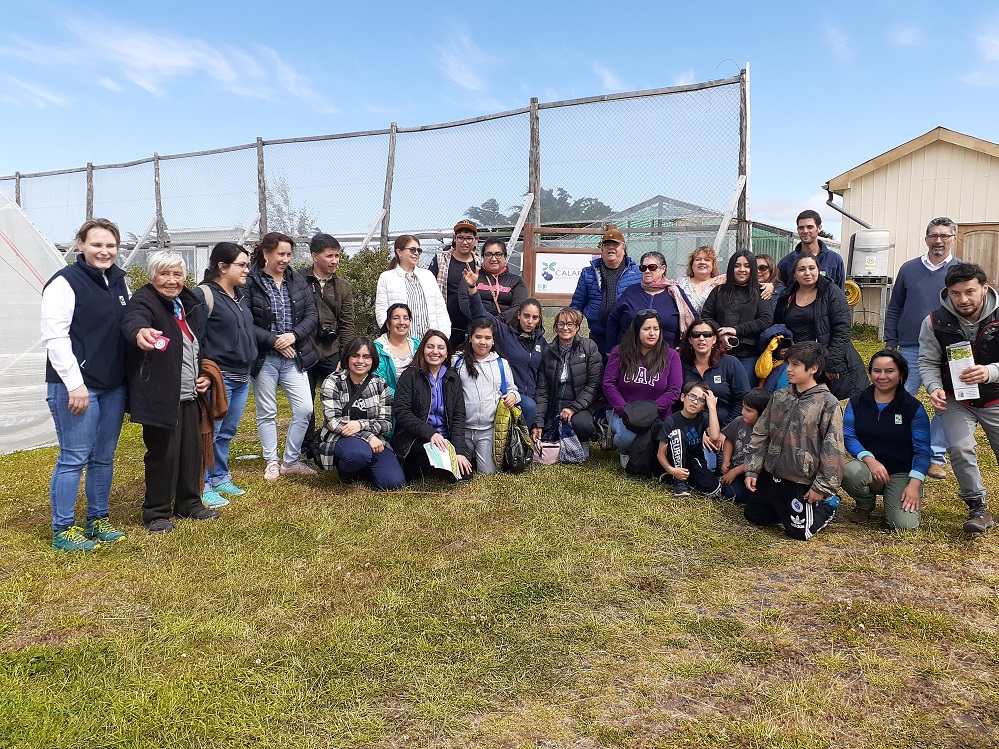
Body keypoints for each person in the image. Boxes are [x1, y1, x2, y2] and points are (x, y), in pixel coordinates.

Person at [41, 218, 130, 551]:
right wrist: (74, 384)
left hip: (112, 386)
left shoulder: (119, 282)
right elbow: (55, 337)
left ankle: (98, 519)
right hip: (77, 387)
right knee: (74, 456)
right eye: (97, 244)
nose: (104, 251)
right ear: (81, 244)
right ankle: (63, 529)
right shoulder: (65, 282)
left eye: (111, 245)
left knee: (103, 456)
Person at [122, 251, 221, 533]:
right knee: (163, 454)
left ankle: (189, 504)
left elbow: (194, 345)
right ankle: (156, 512)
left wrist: (204, 375)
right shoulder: (144, 300)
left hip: (188, 392)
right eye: (164, 274)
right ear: (152, 276)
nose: (171, 280)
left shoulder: (185, 304)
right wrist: (140, 332)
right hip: (160, 393)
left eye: (177, 274)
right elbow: (133, 321)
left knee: (191, 451)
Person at [918, 262, 999, 534]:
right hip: (956, 398)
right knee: (960, 448)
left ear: (984, 289)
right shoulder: (934, 322)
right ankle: (978, 507)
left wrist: (989, 372)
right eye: (955, 293)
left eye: (969, 292)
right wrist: (933, 387)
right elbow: (928, 361)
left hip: (996, 397)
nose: (962, 299)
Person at [884, 217, 963, 480]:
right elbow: (895, 307)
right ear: (926, 239)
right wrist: (890, 341)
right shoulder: (909, 269)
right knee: (901, 398)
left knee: (946, 402)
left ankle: (935, 456)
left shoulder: (962, 271)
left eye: (944, 235)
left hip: (950, 349)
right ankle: (899, 448)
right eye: (933, 236)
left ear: (953, 239)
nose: (938, 240)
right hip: (910, 347)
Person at [743, 342, 844, 541]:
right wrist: (752, 470)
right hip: (771, 474)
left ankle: (828, 504)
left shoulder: (827, 403)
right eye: (788, 363)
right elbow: (761, 434)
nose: (788, 369)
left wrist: (821, 487)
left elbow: (833, 449)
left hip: (800, 480)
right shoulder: (779, 396)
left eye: (795, 364)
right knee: (754, 517)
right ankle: (781, 507)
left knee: (799, 533)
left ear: (813, 368)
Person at [245, 232, 319, 482]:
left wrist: (293, 336)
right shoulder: (251, 281)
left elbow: (311, 316)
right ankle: (272, 462)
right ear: (266, 253)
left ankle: (290, 461)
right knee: (267, 411)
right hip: (264, 357)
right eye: (281, 254)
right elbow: (246, 321)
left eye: (289, 254)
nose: (286, 259)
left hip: (293, 356)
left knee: (305, 409)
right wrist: (274, 341)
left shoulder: (296, 280)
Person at [192, 242, 257, 509]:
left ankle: (220, 476)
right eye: (241, 265)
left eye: (247, 264)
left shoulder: (240, 295)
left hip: (242, 375)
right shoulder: (203, 295)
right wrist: (203, 372)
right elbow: (194, 339)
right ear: (222, 266)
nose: (247, 270)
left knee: (227, 431)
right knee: (210, 431)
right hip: (218, 377)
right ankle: (203, 484)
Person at [842, 349, 930, 531]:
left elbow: (922, 450)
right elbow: (849, 436)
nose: (882, 376)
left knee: (903, 526)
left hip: (902, 473)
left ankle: (896, 499)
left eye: (889, 371)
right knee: (848, 472)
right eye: (877, 371)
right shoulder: (857, 402)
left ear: (901, 374)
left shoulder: (913, 408)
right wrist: (869, 459)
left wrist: (914, 485)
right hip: (869, 468)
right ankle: (865, 504)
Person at [773, 254, 868, 400]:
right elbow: (779, 328)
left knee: (828, 403)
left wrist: (831, 363)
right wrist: (781, 350)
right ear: (794, 274)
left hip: (826, 358)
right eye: (801, 269)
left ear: (818, 270)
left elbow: (842, 330)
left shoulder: (831, 292)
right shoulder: (787, 296)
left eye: (812, 268)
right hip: (799, 361)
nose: (807, 273)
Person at [315, 337, 405, 490]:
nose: (360, 361)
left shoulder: (380, 384)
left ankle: (365, 467)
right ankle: (347, 469)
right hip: (340, 437)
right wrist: (368, 436)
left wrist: (360, 425)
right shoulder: (333, 382)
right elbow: (333, 422)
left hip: (376, 441)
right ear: (347, 358)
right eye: (355, 356)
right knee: (358, 455)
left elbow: (386, 424)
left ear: (373, 360)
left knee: (393, 482)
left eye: (366, 356)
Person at [461, 269, 547, 428]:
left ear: (539, 319)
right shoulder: (504, 333)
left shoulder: (541, 343)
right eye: (526, 316)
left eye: (534, 317)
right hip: (507, 398)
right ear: (519, 314)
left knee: (531, 407)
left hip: (532, 402)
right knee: (528, 405)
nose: (529, 321)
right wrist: (473, 288)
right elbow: (480, 314)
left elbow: (542, 381)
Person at [391, 330, 474, 481]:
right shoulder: (409, 376)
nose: (435, 351)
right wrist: (430, 433)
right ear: (422, 350)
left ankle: (441, 464)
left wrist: (459, 451)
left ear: (447, 353)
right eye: (430, 347)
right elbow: (402, 412)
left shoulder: (452, 378)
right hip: (416, 438)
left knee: (464, 475)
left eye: (441, 347)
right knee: (424, 461)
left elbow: (458, 416)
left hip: (445, 438)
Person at [603, 310, 683, 461]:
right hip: (624, 412)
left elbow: (674, 390)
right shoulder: (619, 352)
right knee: (627, 439)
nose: (652, 333)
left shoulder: (671, 355)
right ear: (636, 330)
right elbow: (609, 384)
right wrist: (625, 411)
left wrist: (651, 411)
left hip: (658, 414)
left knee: (665, 445)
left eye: (656, 328)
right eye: (646, 329)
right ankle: (625, 452)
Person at [303, 233, 355, 460]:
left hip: (332, 351)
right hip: (304, 350)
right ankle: (306, 447)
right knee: (305, 403)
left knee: (340, 398)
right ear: (315, 256)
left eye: (337, 256)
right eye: (329, 256)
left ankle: (337, 442)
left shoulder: (342, 287)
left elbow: (347, 324)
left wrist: (345, 355)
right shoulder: (299, 281)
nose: (334, 261)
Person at [531, 307, 604, 449]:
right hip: (554, 406)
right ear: (556, 327)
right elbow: (542, 390)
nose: (565, 328)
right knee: (545, 432)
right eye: (561, 324)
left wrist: (573, 408)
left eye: (570, 324)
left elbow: (594, 385)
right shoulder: (548, 351)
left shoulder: (589, 347)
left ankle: (582, 441)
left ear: (577, 327)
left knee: (582, 424)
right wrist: (538, 422)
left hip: (580, 407)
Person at [454, 318, 520, 474]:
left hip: (488, 430)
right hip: (462, 429)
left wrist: (513, 395)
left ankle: (478, 456)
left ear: (493, 340)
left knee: (488, 472)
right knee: (460, 471)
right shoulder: (457, 362)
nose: (482, 342)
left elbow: (513, 389)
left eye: (487, 338)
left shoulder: (501, 364)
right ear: (470, 338)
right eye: (478, 337)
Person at [701, 250, 774, 382]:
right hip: (719, 353)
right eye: (737, 265)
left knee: (744, 391)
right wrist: (721, 334)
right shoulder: (718, 291)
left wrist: (736, 330)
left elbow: (765, 320)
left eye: (747, 266)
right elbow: (706, 316)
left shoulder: (760, 292)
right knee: (717, 389)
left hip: (748, 355)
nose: (742, 270)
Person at [570, 226, 642, 355]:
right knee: (597, 367)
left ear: (624, 249)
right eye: (607, 245)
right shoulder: (588, 273)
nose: (611, 248)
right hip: (598, 336)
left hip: (627, 337)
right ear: (602, 250)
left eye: (615, 244)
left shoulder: (637, 274)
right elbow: (577, 304)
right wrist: (570, 328)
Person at [605, 251, 695, 349]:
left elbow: (693, 319)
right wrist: (610, 348)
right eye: (643, 268)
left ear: (663, 269)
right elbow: (613, 319)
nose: (647, 271)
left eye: (652, 267)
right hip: (629, 351)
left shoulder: (675, 293)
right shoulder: (631, 292)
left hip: (666, 352)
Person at [678, 319, 750, 428]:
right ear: (690, 340)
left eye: (707, 335)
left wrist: (725, 430)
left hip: (726, 427)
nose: (701, 338)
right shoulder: (681, 365)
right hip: (688, 428)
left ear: (715, 339)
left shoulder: (730, 363)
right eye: (696, 335)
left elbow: (743, 400)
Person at [376, 235, 450, 340]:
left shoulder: (428, 276)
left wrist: (442, 337)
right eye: (412, 249)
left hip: (430, 343)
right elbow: (382, 312)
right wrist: (394, 338)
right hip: (402, 343)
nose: (416, 253)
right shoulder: (386, 277)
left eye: (419, 250)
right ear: (399, 252)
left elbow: (441, 310)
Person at [657, 381, 721, 497]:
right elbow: (660, 454)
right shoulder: (671, 421)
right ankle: (679, 482)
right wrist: (671, 470)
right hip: (675, 460)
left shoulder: (703, 417)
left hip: (694, 460)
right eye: (692, 396)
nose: (695, 402)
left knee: (714, 490)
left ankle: (677, 479)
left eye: (701, 400)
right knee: (677, 434)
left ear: (704, 406)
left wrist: (712, 407)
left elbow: (714, 436)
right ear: (683, 397)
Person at [428, 220, 480, 345]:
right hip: (445, 324)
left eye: (469, 238)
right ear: (454, 238)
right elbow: (429, 290)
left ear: (476, 240)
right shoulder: (440, 260)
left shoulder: (480, 263)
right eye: (460, 238)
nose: (465, 242)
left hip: (473, 326)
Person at [719, 388, 772, 504]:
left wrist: (735, 472)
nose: (743, 412)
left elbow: (760, 459)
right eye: (743, 407)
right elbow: (729, 439)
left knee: (742, 495)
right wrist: (726, 461)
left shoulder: (769, 433)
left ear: (762, 414)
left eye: (748, 410)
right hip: (734, 465)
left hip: (753, 473)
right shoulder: (739, 421)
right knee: (730, 492)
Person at [776, 210, 845, 291]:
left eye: (810, 227)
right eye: (801, 228)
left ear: (819, 228)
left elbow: (840, 293)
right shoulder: (786, 263)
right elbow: (779, 292)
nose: (805, 231)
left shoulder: (834, 260)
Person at [372, 303, 420, 393]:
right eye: (396, 318)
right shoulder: (377, 348)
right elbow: (378, 382)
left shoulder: (418, 345)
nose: (401, 322)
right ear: (388, 324)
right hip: (388, 399)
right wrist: (402, 398)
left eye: (406, 318)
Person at [472, 239, 527, 317]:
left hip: (505, 323)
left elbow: (519, 306)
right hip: (476, 321)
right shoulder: (472, 277)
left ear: (505, 257)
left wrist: (498, 321)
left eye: (498, 254)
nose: (493, 259)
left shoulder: (516, 281)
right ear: (483, 257)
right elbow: (465, 302)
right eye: (488, 254)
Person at [676, 245, 726, 314]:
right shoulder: (681, 283)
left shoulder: (721, 283)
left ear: (713, 265)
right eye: (698, 259)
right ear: (691, 264)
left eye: (707, 260)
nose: (702, 262)